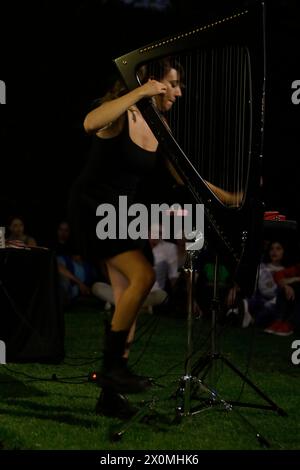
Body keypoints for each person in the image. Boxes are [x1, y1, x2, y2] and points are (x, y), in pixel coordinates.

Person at [68, 57, 184, 418]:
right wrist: (140, 92)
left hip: (122, 213)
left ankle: (109, 396)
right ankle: (112, 368)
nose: (177, 92)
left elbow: (184, 177)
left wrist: (232, 198)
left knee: (127, 301)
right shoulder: (121, 112)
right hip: (92, 206)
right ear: (153, 82)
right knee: (144, 277)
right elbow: (89, 123)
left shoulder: (159, 124)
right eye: (172, 83)